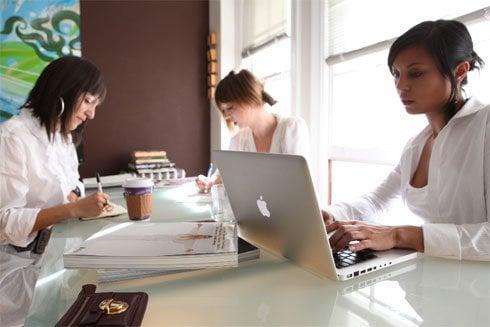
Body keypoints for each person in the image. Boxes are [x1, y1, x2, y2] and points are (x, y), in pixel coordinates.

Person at [323, 20, 489, 261]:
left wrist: (400, 235)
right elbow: (377, 202)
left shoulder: (485, 125)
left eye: (416, 73)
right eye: (396, 74)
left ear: (460, 71)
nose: (401, 86)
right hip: (431, 282)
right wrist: (330, 215)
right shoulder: (416, 145)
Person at [0, 55, 109, 249]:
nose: (91, 114)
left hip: (58, 246)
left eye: (95, 105)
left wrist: (78, 199)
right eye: (87, 101)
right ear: (62, 92)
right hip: (19, 260)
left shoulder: (64, 137)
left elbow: (71, 188)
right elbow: (4, 221)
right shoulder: (11, 137)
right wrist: (73, 209)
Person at [196, 69, 310, 192]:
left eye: (230, 108)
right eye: (224, 111)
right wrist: (209, 182)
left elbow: (300, 187)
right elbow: (223, 174)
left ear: (248, 99)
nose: (227, 116)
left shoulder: (290, 128)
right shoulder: (238, 140)